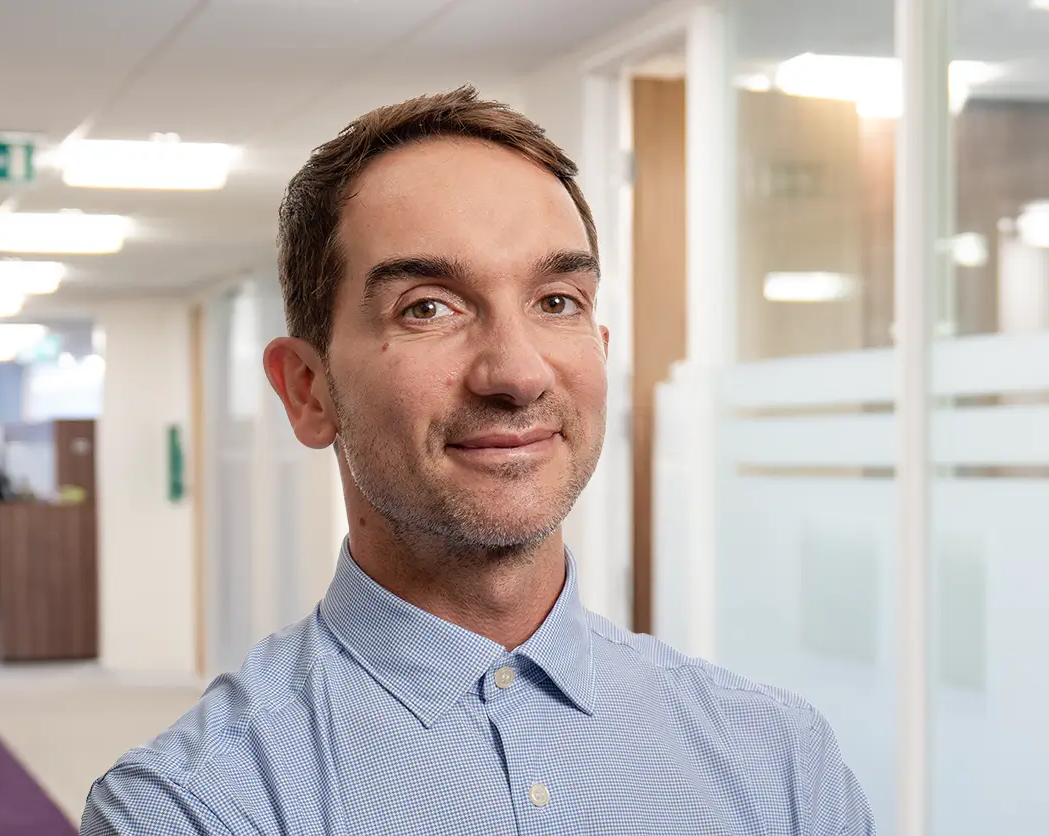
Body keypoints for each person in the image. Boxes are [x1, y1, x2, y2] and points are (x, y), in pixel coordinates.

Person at [80, 86, 873, 835]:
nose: (519, 373)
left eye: (557, 301)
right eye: (428, 307)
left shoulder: (778, 760)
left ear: (600, 349)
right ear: (307, 391)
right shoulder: (196, 806)